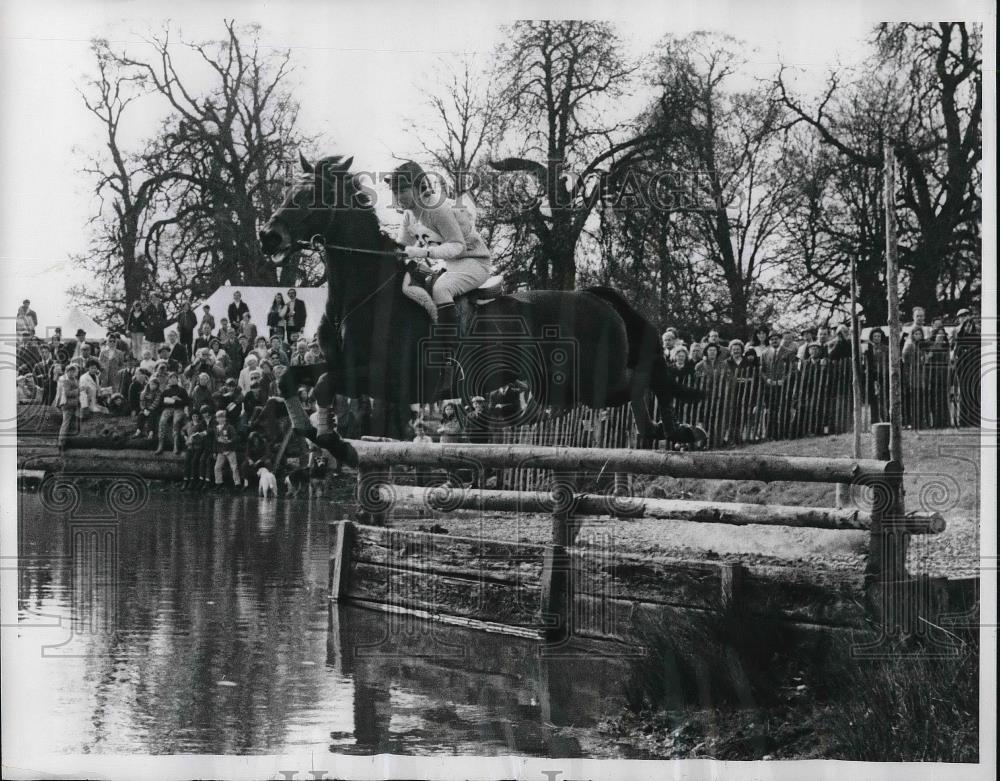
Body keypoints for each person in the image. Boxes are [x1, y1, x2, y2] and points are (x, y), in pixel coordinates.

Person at [386, 161, 492, 391]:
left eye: (402, 190)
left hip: (475, 262)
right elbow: (401, 248)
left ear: (418, 187)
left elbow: (457, 246)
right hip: (452, 265)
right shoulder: (409, 216)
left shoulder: (438, 209)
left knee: (440, 289)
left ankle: (451, 355)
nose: (398, 196)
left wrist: (424, 252)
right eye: (394, 191)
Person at [952, 308, 979, 428]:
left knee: (973, 392)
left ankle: (973, 418)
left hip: (974, 366)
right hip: (962, 367)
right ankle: (963, 419)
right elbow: (955, 350)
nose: (965, 318)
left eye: (967, 316)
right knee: (963, 393)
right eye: (962, 316)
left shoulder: (976, 335)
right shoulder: (957, 333)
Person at [155, 372, 190, 454]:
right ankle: (160, 446)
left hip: (179, 409)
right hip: (168, 408)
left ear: (177, 380)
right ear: (169, 380)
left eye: (175, 378)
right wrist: (170, 401)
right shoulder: (166, 391)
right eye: (171, 378)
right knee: (162, 421)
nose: (173, 380)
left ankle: (176, 445)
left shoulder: (182, 390)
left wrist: (177, 400)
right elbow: (161, 403)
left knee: (176, 422)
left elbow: (186, 402)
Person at [924, 327, 952, 428]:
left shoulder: (946, 347)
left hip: (943, 376)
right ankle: (935, 422)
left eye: (942, 334)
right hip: (933, 376)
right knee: (934, 399)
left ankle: (945, 422)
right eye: (938, 334)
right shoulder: (930, 346)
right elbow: (926, 362)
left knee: (943, 399)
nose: (940, 336)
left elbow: (948, 361)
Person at [901, 326, 927, 428]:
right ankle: (910, 421)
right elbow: (904, 359)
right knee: (910, 398)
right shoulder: (909, 345)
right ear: (912, 335)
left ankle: (919, 421)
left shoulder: (921, 345)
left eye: (920, 334)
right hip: (911, 374)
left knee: (919, 398)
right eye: (916, 334)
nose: (918, 336)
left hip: (920, 375)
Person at [864, 328, 890, 424]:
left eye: (878, 336)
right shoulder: (869, 348)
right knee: (874, 400)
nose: (877, 338)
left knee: (884, 398)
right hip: (872, 376)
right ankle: (874, 421)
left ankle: (886, 419)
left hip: (884, 375)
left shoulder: (886, 348)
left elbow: (888, 362)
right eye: (875, 336)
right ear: (871, 337)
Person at [56, 364, 81, 451]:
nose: (72, 373)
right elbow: (68, 393)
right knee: (65, 423)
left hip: (74, 404)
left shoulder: (75, 380)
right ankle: (61, 442)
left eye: (73, 371)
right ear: (67, 372)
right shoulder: (66, 381)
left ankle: (70, 441)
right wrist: (78, 391)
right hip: (67, 405)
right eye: (70, 371)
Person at [213, 409, 240, 490]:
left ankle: (237, 483)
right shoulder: (216, 428)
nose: (220, 419)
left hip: (230, 450)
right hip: (221, 451)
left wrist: (229, 441)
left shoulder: (229, 427)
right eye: (218, 418)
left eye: (221, 417)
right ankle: (219, 482)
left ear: (224, 418)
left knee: (234, 467)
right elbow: (215, 441)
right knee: (217, 467)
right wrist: (215, 451)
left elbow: (235, 437)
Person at [181, 414, 208, 490]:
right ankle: (185, 480)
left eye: (196, 416)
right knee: (186, 461)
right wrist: (185, 436)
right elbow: (182, 430)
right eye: (193, 416)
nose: (195, 418)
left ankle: (192, 481)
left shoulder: (201, 425)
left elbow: (204, 435)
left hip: (198, 447)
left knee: (194, 462)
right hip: (189, 447)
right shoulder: (189, 424)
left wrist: (197, 437)